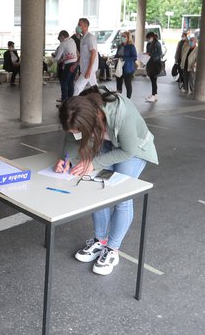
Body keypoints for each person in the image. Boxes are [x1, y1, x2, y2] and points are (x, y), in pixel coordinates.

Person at [54, 86, 158, 276]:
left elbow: (128, 151)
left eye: (80, 130)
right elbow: (71, 137)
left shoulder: (120, 113)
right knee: (97, 190)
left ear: (90, 121)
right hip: (108, 143)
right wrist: (66, 157)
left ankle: (112, 249)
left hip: (133, 150)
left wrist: (93, 163)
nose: (76, 133)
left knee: (121, 197)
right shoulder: (78, 107)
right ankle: (100, 241)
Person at [73, 18, 98, 96]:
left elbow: (93, 53)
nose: (78, 27)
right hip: (85, 68)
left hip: (89, 68)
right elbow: (83, 54)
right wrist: (76, 64)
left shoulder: (90, 37)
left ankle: (72, 106)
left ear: (85, 26)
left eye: (79, 25)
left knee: (77, 87)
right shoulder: (83, 38)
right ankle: (101, 103)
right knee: (94, 88)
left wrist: (89, 70)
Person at [52, 30, 78, 103]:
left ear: (62, 36)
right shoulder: (72, 40)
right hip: (75, 64)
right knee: (70, 83)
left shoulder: (63, 43)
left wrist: (51, 61)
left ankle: (64, 102)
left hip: (69, 65)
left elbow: (57, 58)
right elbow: (71, 53)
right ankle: (70, 101)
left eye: (60, 38)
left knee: (63, 83)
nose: (60, 40)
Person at [114, 31, 137, 99]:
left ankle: (128, 99)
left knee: (128, 84)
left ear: (128, 38)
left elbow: (134, 57)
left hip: (127, 68)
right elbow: (117, 55)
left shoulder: (131, 46)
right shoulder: (120, 46)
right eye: (122, 36)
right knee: (118, 83)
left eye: (124, 36)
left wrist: (124, 59)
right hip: (119, 67)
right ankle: (119, 98)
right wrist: (114, 59)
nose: (122, 38)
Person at [144, 32, 162, 102]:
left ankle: (154, 95)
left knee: (154, 80)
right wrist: (146, 54)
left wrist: (150, 54)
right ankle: (155, 95)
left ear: (152, 37)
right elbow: (148, 52)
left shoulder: (157, 44)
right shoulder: (149, 44)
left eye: (149, 38)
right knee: (153, 80)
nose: (148, 40)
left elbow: (159, 53)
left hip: (155, 64)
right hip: (150, 63)